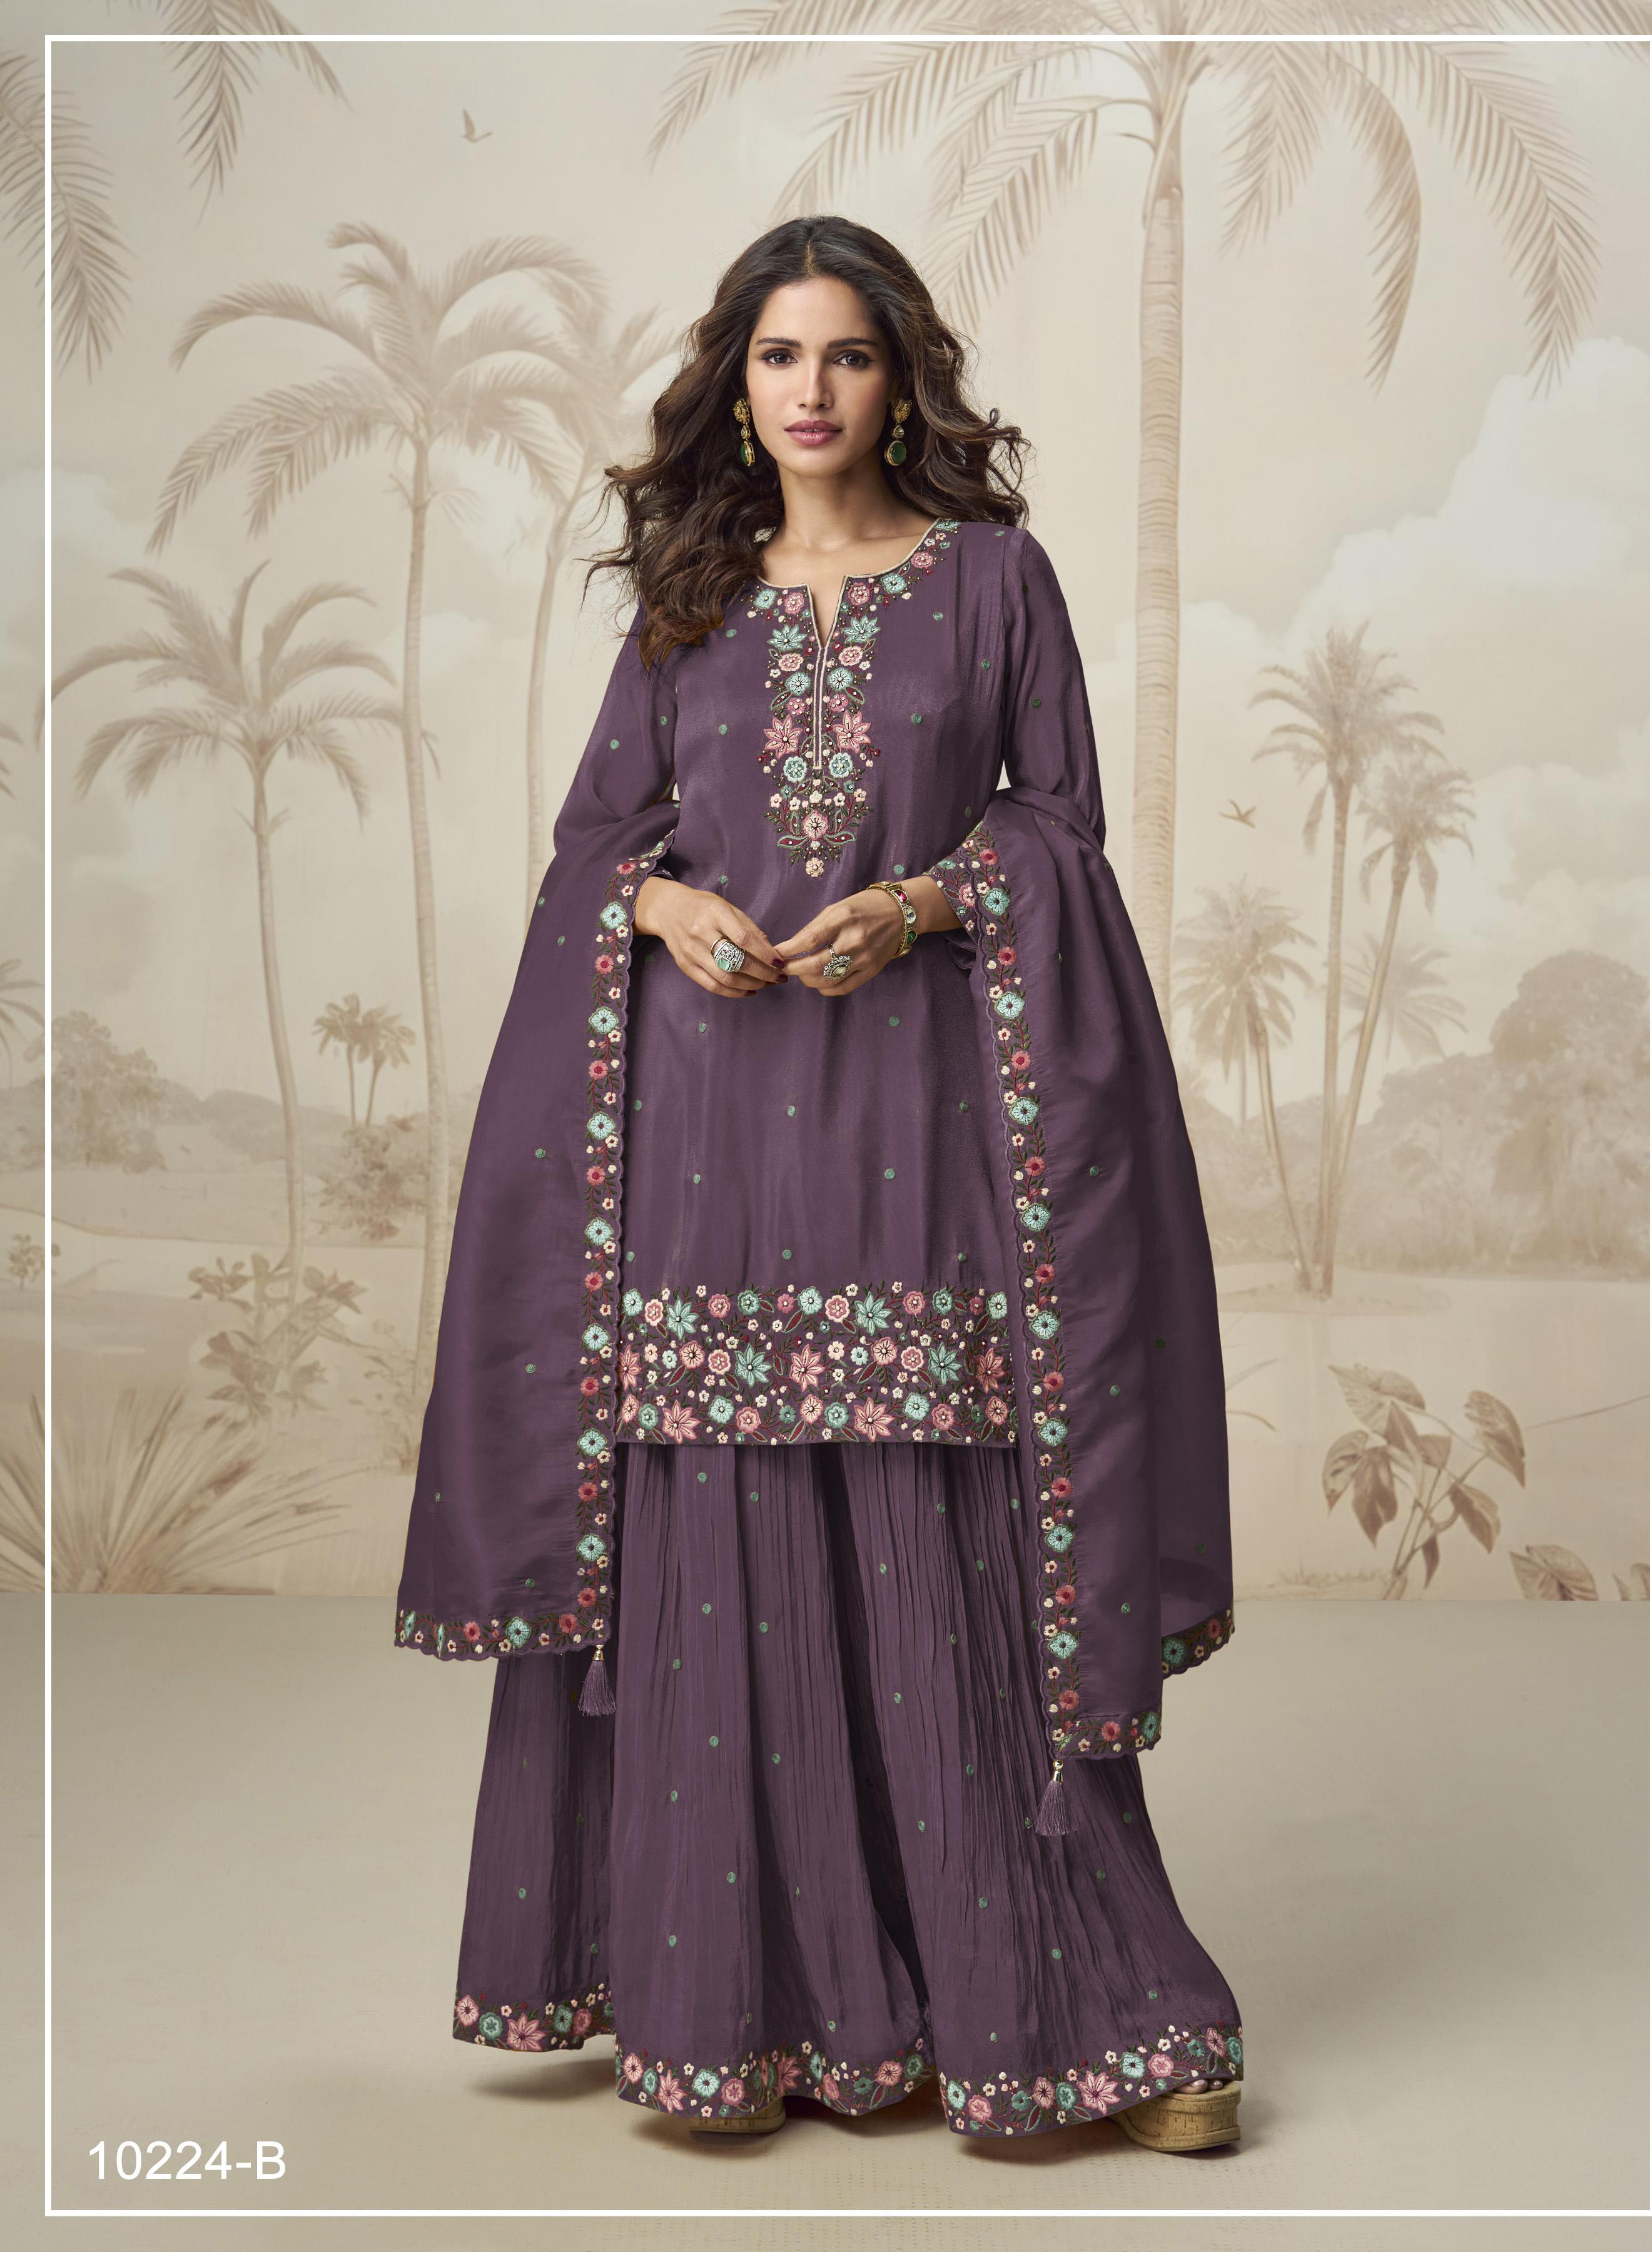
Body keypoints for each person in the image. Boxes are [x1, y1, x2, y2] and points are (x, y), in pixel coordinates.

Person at [393, 216, 1244, 2151]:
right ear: (734, 385)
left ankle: (1072, 2011)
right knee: (723, 1531)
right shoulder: (688, 596)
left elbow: (1059, 827)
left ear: (898, 382)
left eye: (844, 355)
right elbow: (598, 842)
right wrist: (662, 906)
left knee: (948, 1532)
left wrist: (930, 901)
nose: (809, 390)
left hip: (918, 1121)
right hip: (703, 1124)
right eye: (776, 356)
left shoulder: (993, 581)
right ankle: (742, 2010)